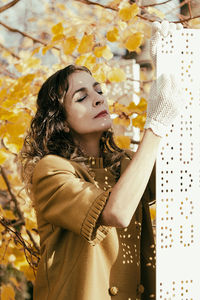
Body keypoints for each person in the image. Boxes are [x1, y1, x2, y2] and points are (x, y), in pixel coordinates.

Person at [20, 21, 183, 300]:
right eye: (81, 97)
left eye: (99, 91)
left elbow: (183, 169)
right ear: (60, 121)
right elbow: (116, 212)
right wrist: (154, 125)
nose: (98, 100)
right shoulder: (51, 170)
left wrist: (169, 68)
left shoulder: (125, 164)